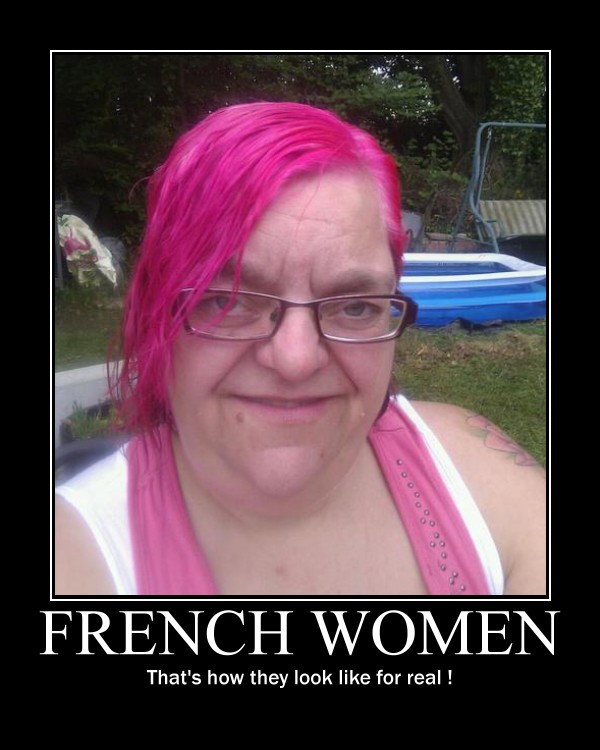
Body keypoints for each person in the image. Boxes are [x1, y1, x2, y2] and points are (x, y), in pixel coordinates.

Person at [55, 102, 546, 596]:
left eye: (354, 306)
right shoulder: (76, 553)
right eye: (227, 301)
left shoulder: (472, 477)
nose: (296, 360)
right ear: (157, 312)